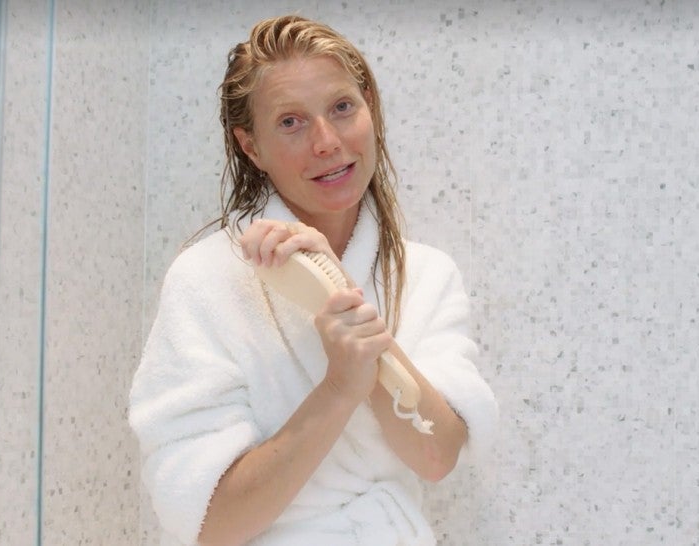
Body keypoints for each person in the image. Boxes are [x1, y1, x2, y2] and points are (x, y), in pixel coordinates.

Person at [128, 14, 498, 546]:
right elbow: (209, 523)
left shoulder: (425, 275)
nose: (326, 141)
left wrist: (340, 295)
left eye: (342, 107)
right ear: (251, 147)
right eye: (291, 122)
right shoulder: (207, 280)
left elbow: (436, 456)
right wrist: (340, 387)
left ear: (369, 107)